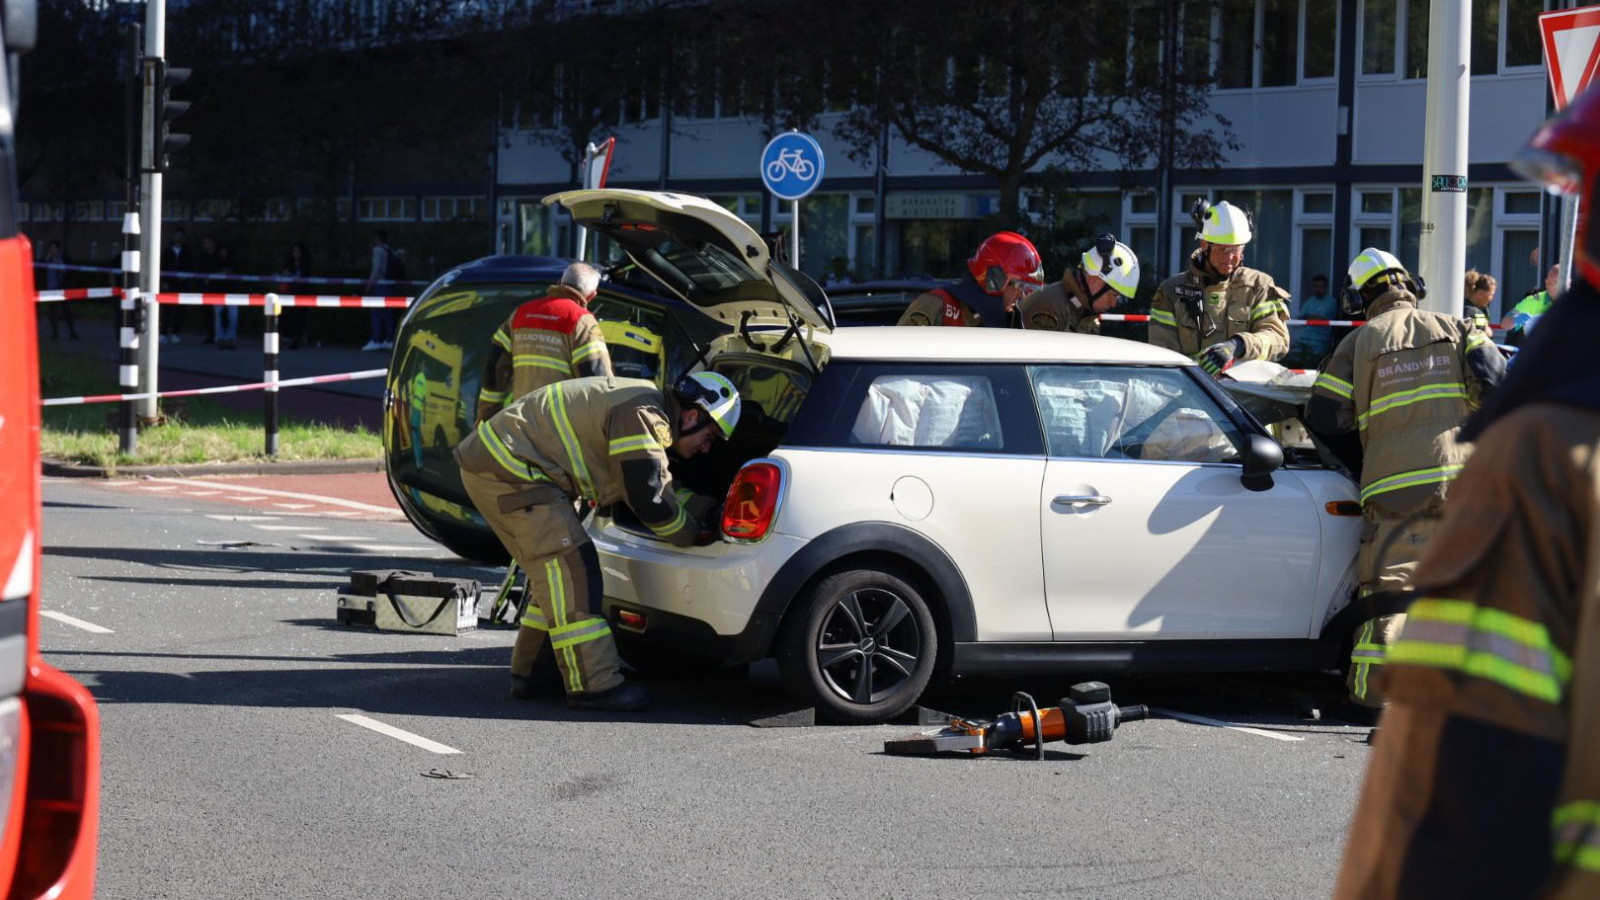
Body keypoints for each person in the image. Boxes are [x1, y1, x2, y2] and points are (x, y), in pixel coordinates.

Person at [1333, 83, 1600, 900]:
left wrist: (1357, 454)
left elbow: (1453, 798)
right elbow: (1488, 376)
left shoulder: (1551, 455)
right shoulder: (1458, 326)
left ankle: (1361, 690)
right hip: (1449, 480)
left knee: (1387, 604)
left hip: (1392, 489)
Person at [452, 371, 740, 711]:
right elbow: (651, 500)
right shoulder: (643, 416)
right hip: (513, 472)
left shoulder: (643, 405)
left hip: (500, 466)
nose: (707, 449)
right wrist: (694, 535)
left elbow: (657, 481)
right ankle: (595, 685)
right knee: (575, 570)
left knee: (555, 580)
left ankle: (533, 674)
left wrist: (707, 510)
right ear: (692, 415)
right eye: (710, 436)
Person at [1306, 248, 1505, 717]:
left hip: (1394, 487)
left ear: (1361, 296)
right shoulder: (1458, 326)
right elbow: (1497, 380)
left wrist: (1364, 461)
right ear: (1409, 286)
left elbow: (1322, 415)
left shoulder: (1359, 342)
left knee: (1389, 591)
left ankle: (1377, 696)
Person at [1148, 200, 1291, 376]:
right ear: (1204, 246)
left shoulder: (1258, 286)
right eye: (1223, 250)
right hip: (1190, 391)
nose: (1230, 257)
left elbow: (1277, 340)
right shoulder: (1172, 291)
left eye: (1236, 250)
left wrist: (1237, 345)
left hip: (1245, 393)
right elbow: (1162, 353)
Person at [474, 261, 612, 424]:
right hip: (562, 431)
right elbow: (598, 382)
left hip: (521, 427)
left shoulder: (519, 315)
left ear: (560, 282)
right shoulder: (582, 322)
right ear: (591, 296)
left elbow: (494, 370)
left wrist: (485, 417)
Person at [896, 231, 1044, 327]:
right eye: (1019, 286)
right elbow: (898, 360)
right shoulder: (935, 306)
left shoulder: (1011, 318)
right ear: (994, 279)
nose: (1022, 295)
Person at [1018, 233, 1139, 333]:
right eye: (1113, 294)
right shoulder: (1051, 305)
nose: (1113, 304)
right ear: (1093, 279)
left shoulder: (1081, 309)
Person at [1501, 263, 1560, 346]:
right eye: (1555, 284)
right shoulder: (1532, 301)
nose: (1559, 288)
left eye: (1563, 284)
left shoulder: (1577, 300)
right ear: (1547, 283)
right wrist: (1515, 320)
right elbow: (1505, 323)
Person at [362, 230, 397, 352]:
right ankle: (389, 339)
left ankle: (376, 339)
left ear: (377, 238)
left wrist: (369, 284)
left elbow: (376, 269)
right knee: (388, 314)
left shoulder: (378, 250)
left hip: (379, 285)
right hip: (389, 285)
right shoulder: (389, 250)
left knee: (375, 312)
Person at [39, 241, 78, 341]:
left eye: (54, 248)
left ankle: (72, 332)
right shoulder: (46, 260)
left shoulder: (62, 259)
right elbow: (41, 271)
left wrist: (57, 263)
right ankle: (55, 333)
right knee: (52, 312)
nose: (52, 250)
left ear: (58, 249)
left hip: (61, 289)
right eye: (51, 248)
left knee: (66, 311)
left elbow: (65, 271)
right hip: (50, 290)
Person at [1295, 274, 1337, 364]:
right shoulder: (1310, 300)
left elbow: (1320, 320)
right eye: (1316, 286)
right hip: (1304, 339)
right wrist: (1312, 317)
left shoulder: (1331, 302)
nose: (1318, 289)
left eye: (1321, 286)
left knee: (1314, 367)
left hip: (1320, 341)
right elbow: (1300, 317)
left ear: (1326, 287)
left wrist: (1309, 317)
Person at [280, 243, 312, 350]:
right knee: (288, 316)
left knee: (300, 317)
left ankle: (297, 339)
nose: (296, 254)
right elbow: (284, 275)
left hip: (302, 294)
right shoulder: (289, 264)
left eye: (298, 251)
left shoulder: (306, 265)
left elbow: (307, 278)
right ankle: (287, 338)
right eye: (294, 251)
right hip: (289, 294)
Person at [159, 227, 189, 344]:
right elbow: (162, 267)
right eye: (176, 235)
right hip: (169, 285)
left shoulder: (186, 252)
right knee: (166, 310)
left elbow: (189, 267)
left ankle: (176, 333)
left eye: (180, 235)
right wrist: (164, 282)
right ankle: (163, 333)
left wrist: (185, 277)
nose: (178, 238)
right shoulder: (167, 252)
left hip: (181, 285)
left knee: (179, 311)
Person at [212, 243, 239, 350]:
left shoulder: (233, 263)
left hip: (232, 292)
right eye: (222, 252)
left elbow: (237, 274)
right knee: (218, 316)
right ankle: (220, 338)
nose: (223, 254)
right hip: (218, 292)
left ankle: (230, 338)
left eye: (225, 252)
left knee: (233, 316)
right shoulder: (215, 262)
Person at [1463, 268, 1497, 334]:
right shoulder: (1471, 312)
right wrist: (1487, 331)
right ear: (1480, 294)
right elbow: (1481, 332)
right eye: (1490, 295)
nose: (1492, 299)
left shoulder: (1482, 310)